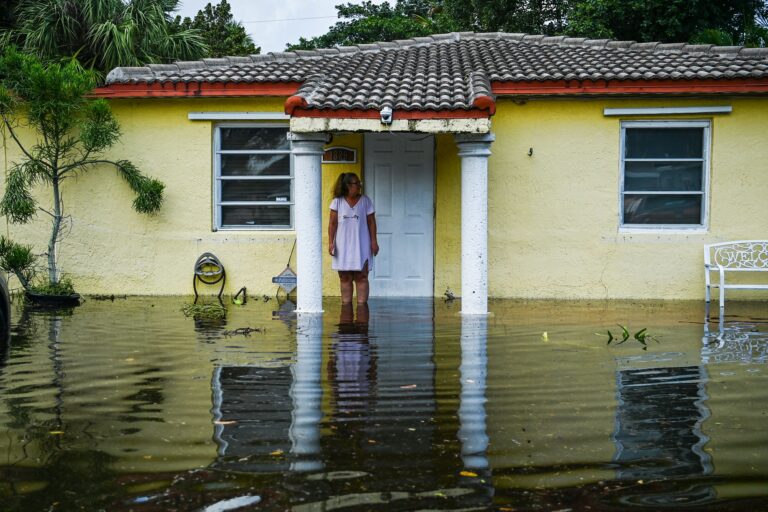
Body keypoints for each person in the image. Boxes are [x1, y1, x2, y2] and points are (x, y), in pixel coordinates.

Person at [328, 173, 379, 304]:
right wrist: (330, 243)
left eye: (359, 183)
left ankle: (362, 311)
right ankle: (346, 311)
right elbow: (332, 224)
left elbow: (371, 222)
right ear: (347, 186)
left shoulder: (365, 201)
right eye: (357, 183)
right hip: (342, 245)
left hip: (362, 244)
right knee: (345, 277)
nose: (359, 186)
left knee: (362, 276)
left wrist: (374, 241)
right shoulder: (337, 202)